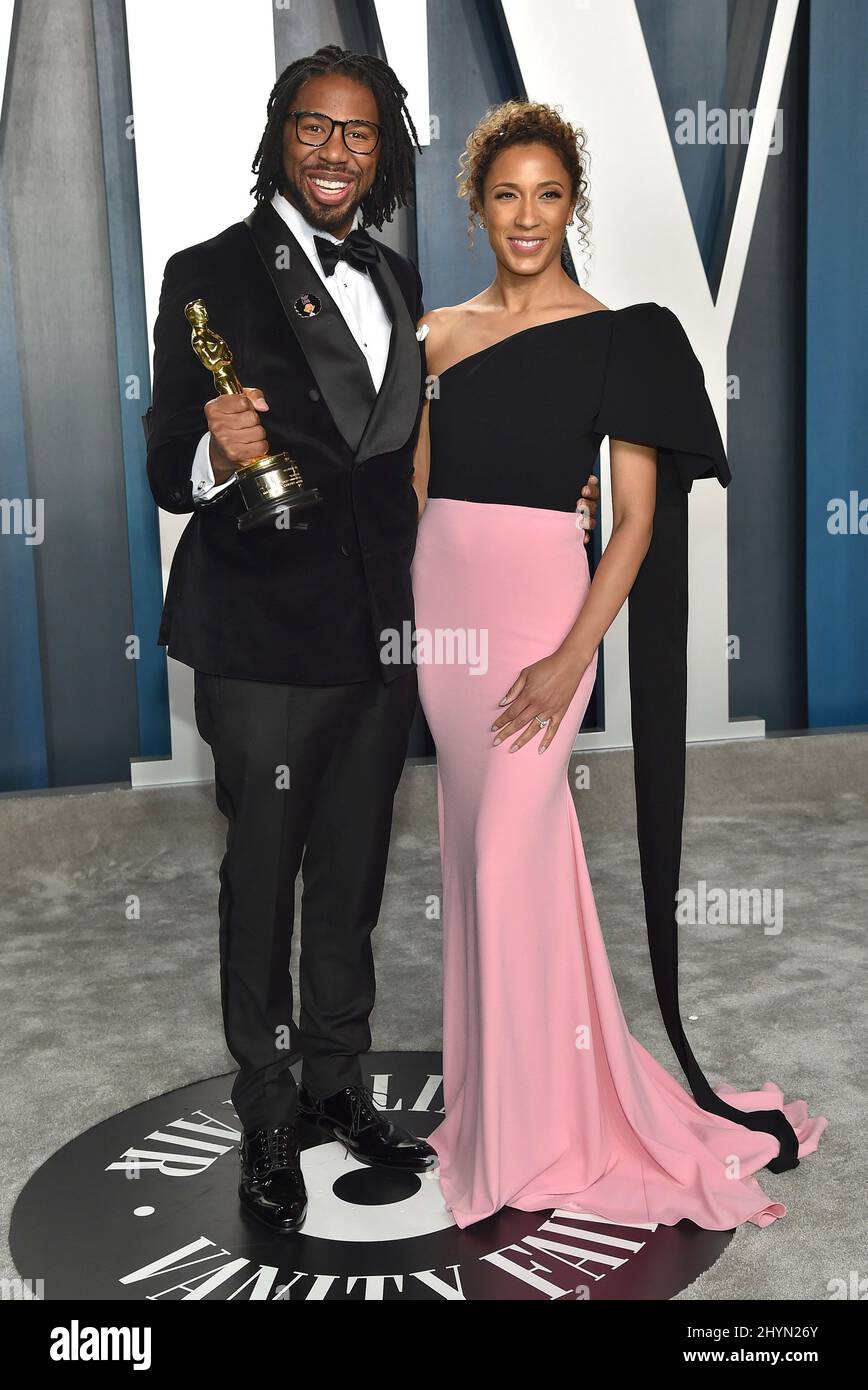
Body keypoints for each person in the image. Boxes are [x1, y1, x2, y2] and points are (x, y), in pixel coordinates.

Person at [144, 49, 603, 1235]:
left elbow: (426, 462)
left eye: (359, 133)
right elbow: (163, 468)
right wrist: (214, 448)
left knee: (351, 877)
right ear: (280, 136)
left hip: (391, 638)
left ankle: (337, 1089)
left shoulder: (400, 280)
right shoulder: (208, 275)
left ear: (382, 150)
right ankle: (265, 1110)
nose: (337, 150)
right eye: (316, 129)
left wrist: (559, 500)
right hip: (260, 638)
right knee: (263, 880)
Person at [410, 100, 827, 1231]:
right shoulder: (435, 333)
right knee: (487, 870)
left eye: (548, 194)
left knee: (503, 862)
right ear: (477, 206)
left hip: (545, 622)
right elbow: (422, 485)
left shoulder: (618, 335)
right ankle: (502, 1113)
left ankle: (541, 1140)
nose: (527, 216)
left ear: (572, 203)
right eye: (506, 194)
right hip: (442, 620)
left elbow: (634, 522)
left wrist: (566, 658)